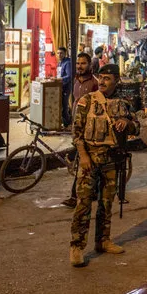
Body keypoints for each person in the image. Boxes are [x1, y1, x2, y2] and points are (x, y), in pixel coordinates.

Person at [69, 64, 140, 267]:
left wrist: (127, 123)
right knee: (83, 205)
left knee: (106, 203)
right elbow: (77, 133)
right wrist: (83, 155)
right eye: (101, 77)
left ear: (116, 80)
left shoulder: (123, 104)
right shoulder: (87, 101)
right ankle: (77, 246)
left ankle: (103, 240)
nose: (102, 81)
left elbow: (137, 126)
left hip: (111, 159)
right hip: (90, 159)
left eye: (107, 78)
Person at [62, 53, 99, 208]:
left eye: (83, 63)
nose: (79, 66)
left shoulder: (95, 83)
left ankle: (75, 195)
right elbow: (75, 100)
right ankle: (91, 191)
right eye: (78, 63)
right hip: (77, 126)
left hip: (89, 128)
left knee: (81, 161)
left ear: (90, 64)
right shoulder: (76, 81)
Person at [57, 47, 72, 128]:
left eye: (61, 53)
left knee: (64, 105)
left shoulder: (67, 63)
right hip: (60, 87)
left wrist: (60, 79)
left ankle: (68, 123)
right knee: (62, 105)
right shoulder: (60, 63)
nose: (59, 55)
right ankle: (65, 122)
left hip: (66, 87)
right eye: (58, 53)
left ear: (65, 53)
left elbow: (69, 76)